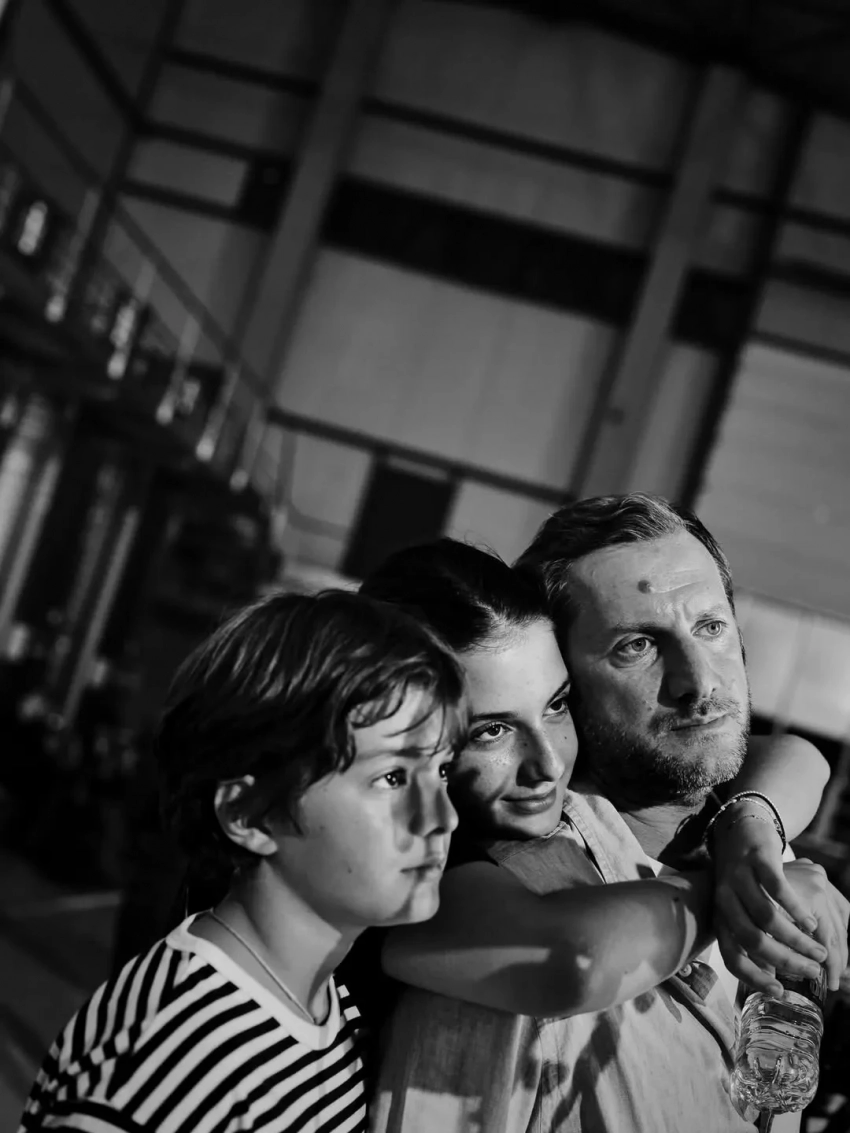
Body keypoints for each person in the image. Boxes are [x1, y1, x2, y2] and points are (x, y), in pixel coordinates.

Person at [356, 510, 848, 1133]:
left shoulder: (756, 848)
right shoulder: (504, 941)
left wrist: (751, 833)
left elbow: (795, 757)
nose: (699, 681)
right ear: (564, 671)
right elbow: (571, 962)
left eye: (711, 626)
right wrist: (733, 892)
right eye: (635, 646)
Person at [17, 589, 465, 1133]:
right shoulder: (177, 1060)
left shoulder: (320, 1000)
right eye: (392, 776)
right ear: (249, 814)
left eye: (442, 770)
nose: (441, 817)